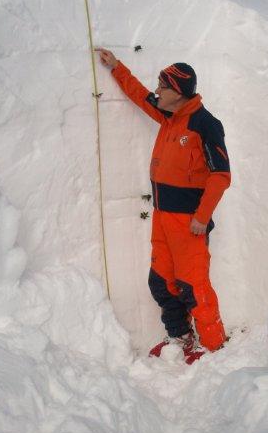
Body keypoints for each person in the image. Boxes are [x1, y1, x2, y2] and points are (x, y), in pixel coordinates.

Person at [97, 48, 230, 363]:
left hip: (189, 221)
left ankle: (213, 346)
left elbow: (221, 175)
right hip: (162, 217)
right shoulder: (170, 114)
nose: (157, 90)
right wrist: (117, 68)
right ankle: (181, 337)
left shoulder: (205, 124)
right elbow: (141, 97)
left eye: (163, 86)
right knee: (161, 281)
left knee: (193, 285)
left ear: (179, 92)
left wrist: (201, 217)